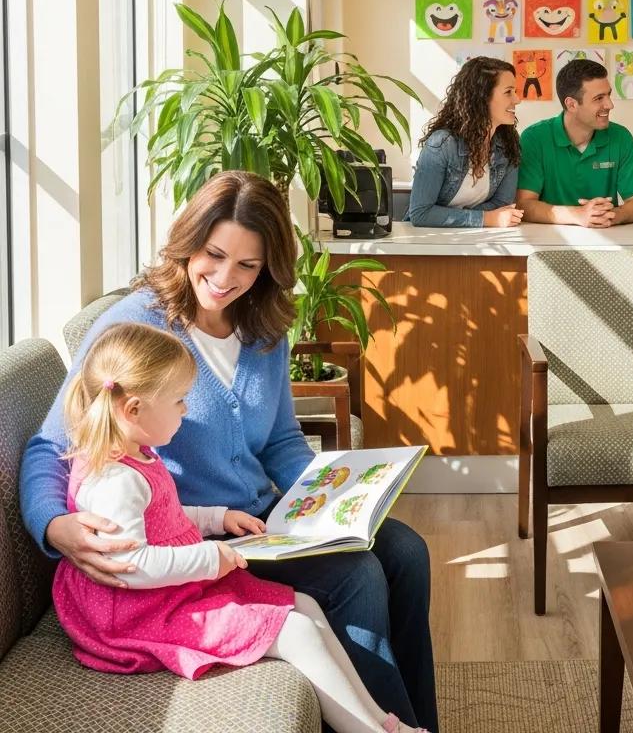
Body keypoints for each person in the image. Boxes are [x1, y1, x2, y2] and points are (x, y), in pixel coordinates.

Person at [20, 171, 437, 733]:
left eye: (248, 265)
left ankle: (418, 721)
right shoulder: (135, 328)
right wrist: (54, 524)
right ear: (188, 241)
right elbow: (51, 444)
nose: (224, 278)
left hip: (255, 518)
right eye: (213, 255)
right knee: (357, 576)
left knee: (407, 551)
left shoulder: (263, 324)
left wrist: (329, 494)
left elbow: (282, 440)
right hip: (191, 537)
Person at [53, 321, 425, 733]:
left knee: (306, 605)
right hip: (139, 613)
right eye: (179, 401)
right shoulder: (115, 480)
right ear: (134, 409)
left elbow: (165, 516)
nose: (186, 410)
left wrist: (217, 519)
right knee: (296, 629)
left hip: (167, 592)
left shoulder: (138, 455)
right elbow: (133, 564)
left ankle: (382, 720)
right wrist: (212, 555)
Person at [516, 58, 633, 227]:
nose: (609, 105)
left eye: (608, 95)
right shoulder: (534, 138)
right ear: (572, 104)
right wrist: (577, 215)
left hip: (607, 239)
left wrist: (611, 215)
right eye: (599, 98)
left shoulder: (621, 137)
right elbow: (524, 205)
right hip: (549, 242)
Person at [407, 56, 524, 228]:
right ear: (482, 97)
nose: (517, 100)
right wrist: (485, 218)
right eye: (508, 92)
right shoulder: (442, 144)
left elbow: (502, 205)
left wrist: (484, 218)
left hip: (478, 240)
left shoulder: (508, 145)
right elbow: (420, 213)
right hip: (427, 242)